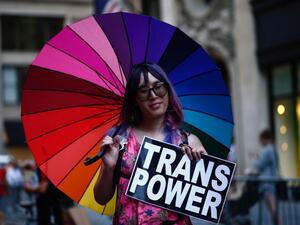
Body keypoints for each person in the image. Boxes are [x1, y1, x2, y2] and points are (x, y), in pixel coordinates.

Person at [93, 63, 207, 224]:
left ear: (168, 90)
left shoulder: (188, 141)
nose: (153, 95)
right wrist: (109, 168)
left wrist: (204, 168)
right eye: (143, 91)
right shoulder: (119, 139)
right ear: (134, 99)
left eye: (158, 87)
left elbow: (204, 200)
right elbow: (101, 198)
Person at [252, 129, 281, 225]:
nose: (260, 142)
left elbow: (260, 164)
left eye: (261, 139)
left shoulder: (267, 150)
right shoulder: (272, 149)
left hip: (267, 182)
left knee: (273, 208)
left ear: (265, 138)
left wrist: (254, 159)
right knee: (272, 208)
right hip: (270, 181)